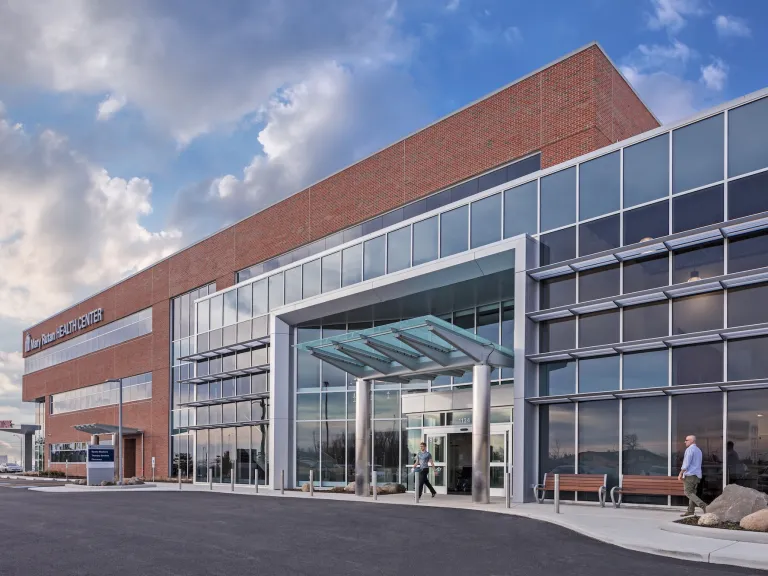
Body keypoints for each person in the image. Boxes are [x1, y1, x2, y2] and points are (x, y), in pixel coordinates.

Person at [678, 435, 707, 517]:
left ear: (691, 441)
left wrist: (681, 473)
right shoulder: (698, 450)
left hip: (690, 475)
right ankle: (690, 511)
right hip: (697, 476)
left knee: (688, 492)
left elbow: (686, 463)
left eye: (686, 440)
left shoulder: (690, 449)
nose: (685, 442)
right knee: (692, 493)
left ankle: (704, 506)